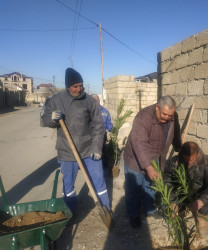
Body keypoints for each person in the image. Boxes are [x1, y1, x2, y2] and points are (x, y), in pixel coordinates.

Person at [42, 67, 111, 215]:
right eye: (75, 86)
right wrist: (51, 118)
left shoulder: (89, 101)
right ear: (68, 86)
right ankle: (69, 214)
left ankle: (106, 210)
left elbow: (99, 126)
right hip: (67, 150)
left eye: (81, 85)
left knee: (99, 181)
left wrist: (97, 148)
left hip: (89, 149)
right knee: (68, 185)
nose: (79, 89)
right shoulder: (56, 100)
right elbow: (44, 119)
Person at [123, 96, 182, 228]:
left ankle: (150, 211)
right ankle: (133, 215)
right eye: (164, 114)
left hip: (155, 156)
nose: (167, 117)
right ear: (157, 107)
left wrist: (178, 146)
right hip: (135, 158)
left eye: (170, 115)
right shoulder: (143, 117)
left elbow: (175, 130)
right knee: (134, 187)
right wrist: (148, 167)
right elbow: (138, 144)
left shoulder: (172, 116)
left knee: (151, 185)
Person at [164, 141, 208, 236]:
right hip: (182, 194)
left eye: (192, 159)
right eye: (186, 159)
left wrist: (201, 201)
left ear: (198, 154)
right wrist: (172, 200)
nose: (189, 162)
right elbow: (167, 181)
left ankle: (202, 218)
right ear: (182, 154)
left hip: (199, 193)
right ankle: (180, 216)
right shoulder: (174, 162)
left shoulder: (205, 163)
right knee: (172, 204)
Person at [91, 94, 113, 171]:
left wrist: (109, 131)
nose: (96, 102)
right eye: (94, 100)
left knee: (102, 153)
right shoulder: (88, 111)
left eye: (97, 100)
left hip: (102, 137)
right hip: (90, 138)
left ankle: (104, 169)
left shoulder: (105, 111)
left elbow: (109, 124)